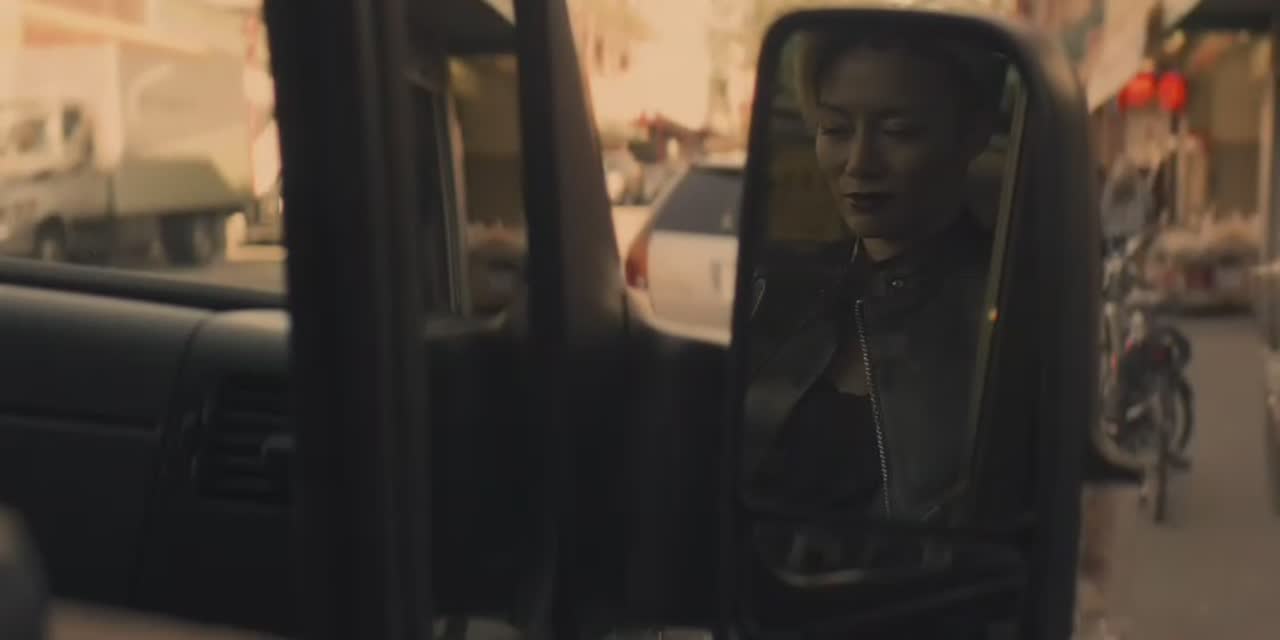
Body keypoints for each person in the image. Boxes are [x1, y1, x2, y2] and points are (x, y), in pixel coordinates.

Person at [742, 27, 1006, 579]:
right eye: (835, 129)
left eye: (898, 131)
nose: (859, 162)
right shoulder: (781, 290)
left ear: (973, 133)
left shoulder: (1005, 311)